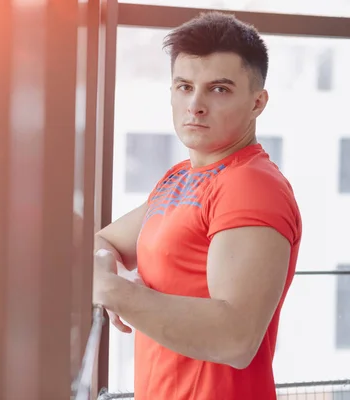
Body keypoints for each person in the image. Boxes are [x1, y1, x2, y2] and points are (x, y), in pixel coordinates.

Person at [92, 11, 302, 400]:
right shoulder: (180, 178)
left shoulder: (252, 186)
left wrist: (113, 292)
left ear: (258, 102)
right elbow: (105, 241)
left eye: (218, 89)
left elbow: (235, 339)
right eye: (184, 86)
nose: (195, 105)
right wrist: (111, 275)